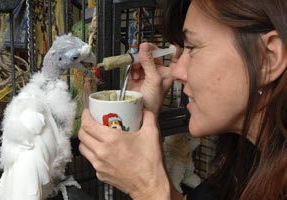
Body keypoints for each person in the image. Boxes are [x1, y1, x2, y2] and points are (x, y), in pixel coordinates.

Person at [78, 0, 287, 199]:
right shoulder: (249, 162)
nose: (176, 71)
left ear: (267, 58)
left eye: (193, 47)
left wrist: (146, 189)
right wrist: (146, 114)